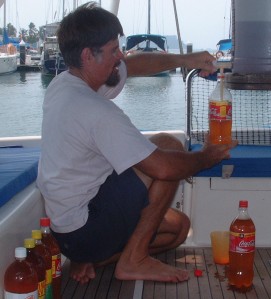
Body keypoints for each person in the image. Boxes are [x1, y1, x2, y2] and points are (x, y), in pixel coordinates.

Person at [37, 1, 237, 285]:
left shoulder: (65, 84)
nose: (120, 55)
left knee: (179, 229)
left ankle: (98, 258)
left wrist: (184, 60)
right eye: (112, 50)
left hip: (68, 232)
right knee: (170, 151)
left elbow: (133, 65)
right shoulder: (94, 109)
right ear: (87, 55)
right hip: (85, 226)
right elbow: (165, 169)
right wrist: (208, 156)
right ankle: (134, 259)